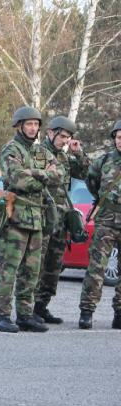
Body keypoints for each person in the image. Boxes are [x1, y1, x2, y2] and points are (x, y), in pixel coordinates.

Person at [0, 106, 57, 333]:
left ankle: (25, 315)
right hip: (16, 218)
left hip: (37, 219)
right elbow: (18, 179)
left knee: (31, 271)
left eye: (36, 124)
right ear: (19, 126)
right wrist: (43, 175)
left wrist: (35, 173)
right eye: (28, 124)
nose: (32, 128)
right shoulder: (10, 149)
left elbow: (58, 174)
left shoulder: (40, 151)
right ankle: (2, 316)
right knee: (9, 269)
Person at [34, 116, 88, 324]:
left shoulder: (64, 158)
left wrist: (78, 153)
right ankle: (28, 308)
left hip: (60, 219)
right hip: (42, 216)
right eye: (62, 136)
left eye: (68, 137)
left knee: (54, 266)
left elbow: (86, 173)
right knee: (36, 265)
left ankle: (41, 306)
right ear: (50, 133)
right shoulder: (38, 153)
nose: (65, 140)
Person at [78, 120, 121, 330]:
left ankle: (119, 313)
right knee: (96, 268)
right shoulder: (104, 160)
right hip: (106, 221)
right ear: (114, 139)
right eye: (119, 137)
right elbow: (91, 181)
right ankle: (86, 312)